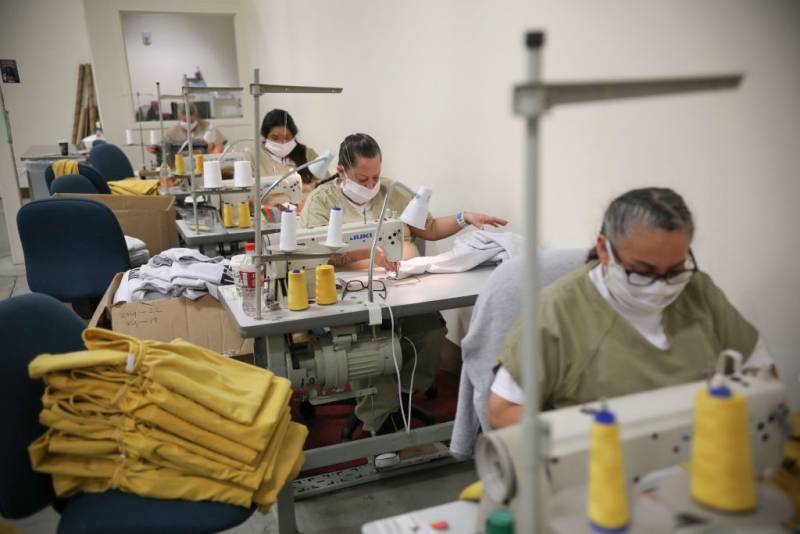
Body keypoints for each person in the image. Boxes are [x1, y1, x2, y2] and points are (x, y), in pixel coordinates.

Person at [487, 187, 775, 429]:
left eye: (674, 270)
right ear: (603, 249)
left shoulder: (698, 291)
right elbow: (503, 411)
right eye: (642, 271)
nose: (661, 286)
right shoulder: (556, 312)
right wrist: (587, 438)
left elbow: (761, 373)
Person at [300, 132, 508, 434]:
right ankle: (381, 426)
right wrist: (369, 256)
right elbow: (319, 254)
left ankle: (401, 400)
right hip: (350, 296)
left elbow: (431, 228)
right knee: (373, 345)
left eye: (376, 177)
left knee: (430, 331)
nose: (372, 186)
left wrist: (465, 217)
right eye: (363, 179)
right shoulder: (321, 202)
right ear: (342, 172)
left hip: (401, 287)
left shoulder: (393, 192)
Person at [254, 109, 328, 207]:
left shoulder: (307, 153)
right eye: (275, 138)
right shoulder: (254, 157)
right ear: (265, 136)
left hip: (308, 212)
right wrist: (303, 190)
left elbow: (327, 186)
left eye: (287, 138)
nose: (282, 143)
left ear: (293, 136)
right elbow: (252, 197)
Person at [147, 102, 226, 155]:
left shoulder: (207, 127)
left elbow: (219, 145)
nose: (188, 124)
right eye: (185, 121)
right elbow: (162, 148)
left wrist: (212, 157)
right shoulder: (172, 132)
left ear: (196, 116)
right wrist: (154, 149)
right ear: (179, 117)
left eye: (191, 121)